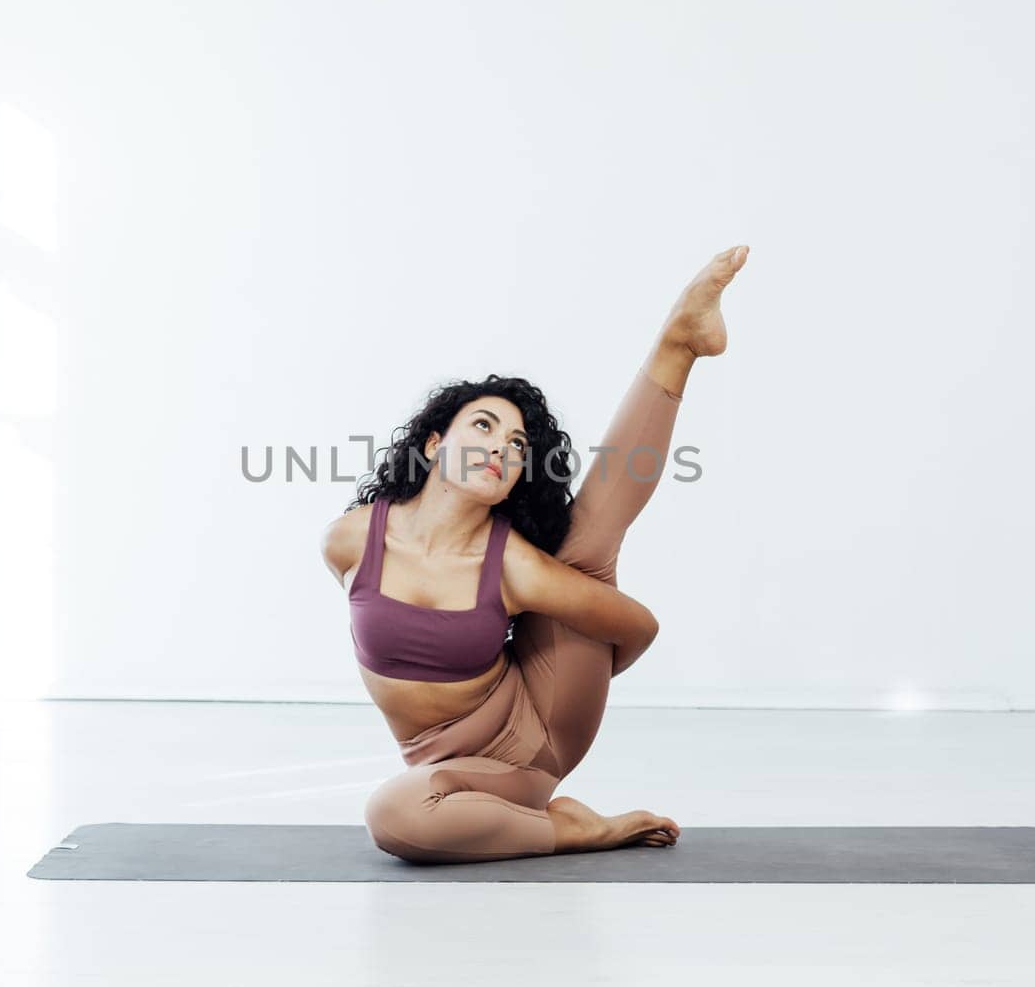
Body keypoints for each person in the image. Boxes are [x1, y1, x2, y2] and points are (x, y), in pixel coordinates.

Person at [319, 244, 750, 863]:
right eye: (485, 426)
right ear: (436, 443)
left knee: (584, 553)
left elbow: (638, 626)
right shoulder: (350, 539)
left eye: (517, 443)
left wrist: (577, 663)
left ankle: (678, 343)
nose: (501, 446)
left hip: (534, 738)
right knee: (400, 811)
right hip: (444, 767)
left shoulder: (518, 567)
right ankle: (553, 823)